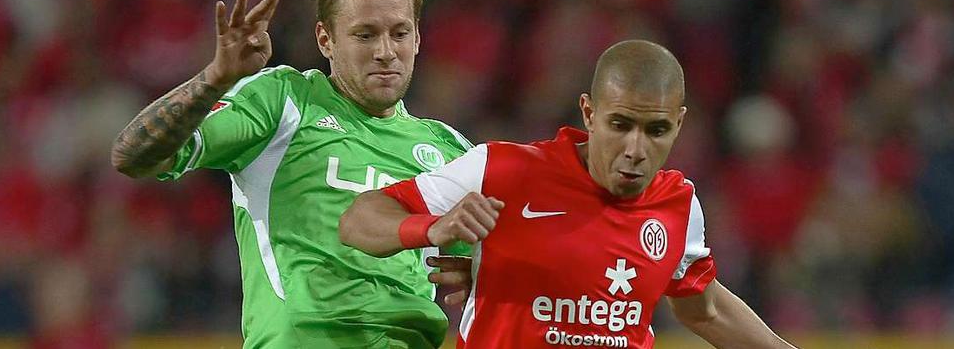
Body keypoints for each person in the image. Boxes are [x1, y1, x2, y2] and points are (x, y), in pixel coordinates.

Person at [111, 0, 474, 349]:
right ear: (326, 40)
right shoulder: (283, 103)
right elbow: (133, 155)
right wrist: (215, 78)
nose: (386, 52)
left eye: (399, 33)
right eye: (365, 35)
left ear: (418, 38)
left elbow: (503, 264)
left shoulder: (449, 151)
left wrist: (484, 272)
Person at [340, 40, 798, 348]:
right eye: (620, 125)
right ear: (589, 112)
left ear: (679, 123)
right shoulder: (503, 170)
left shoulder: (678, 205)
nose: (636, 149)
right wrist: (432, 227)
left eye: (656, 130)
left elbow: (707, 309)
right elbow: (359, 219)